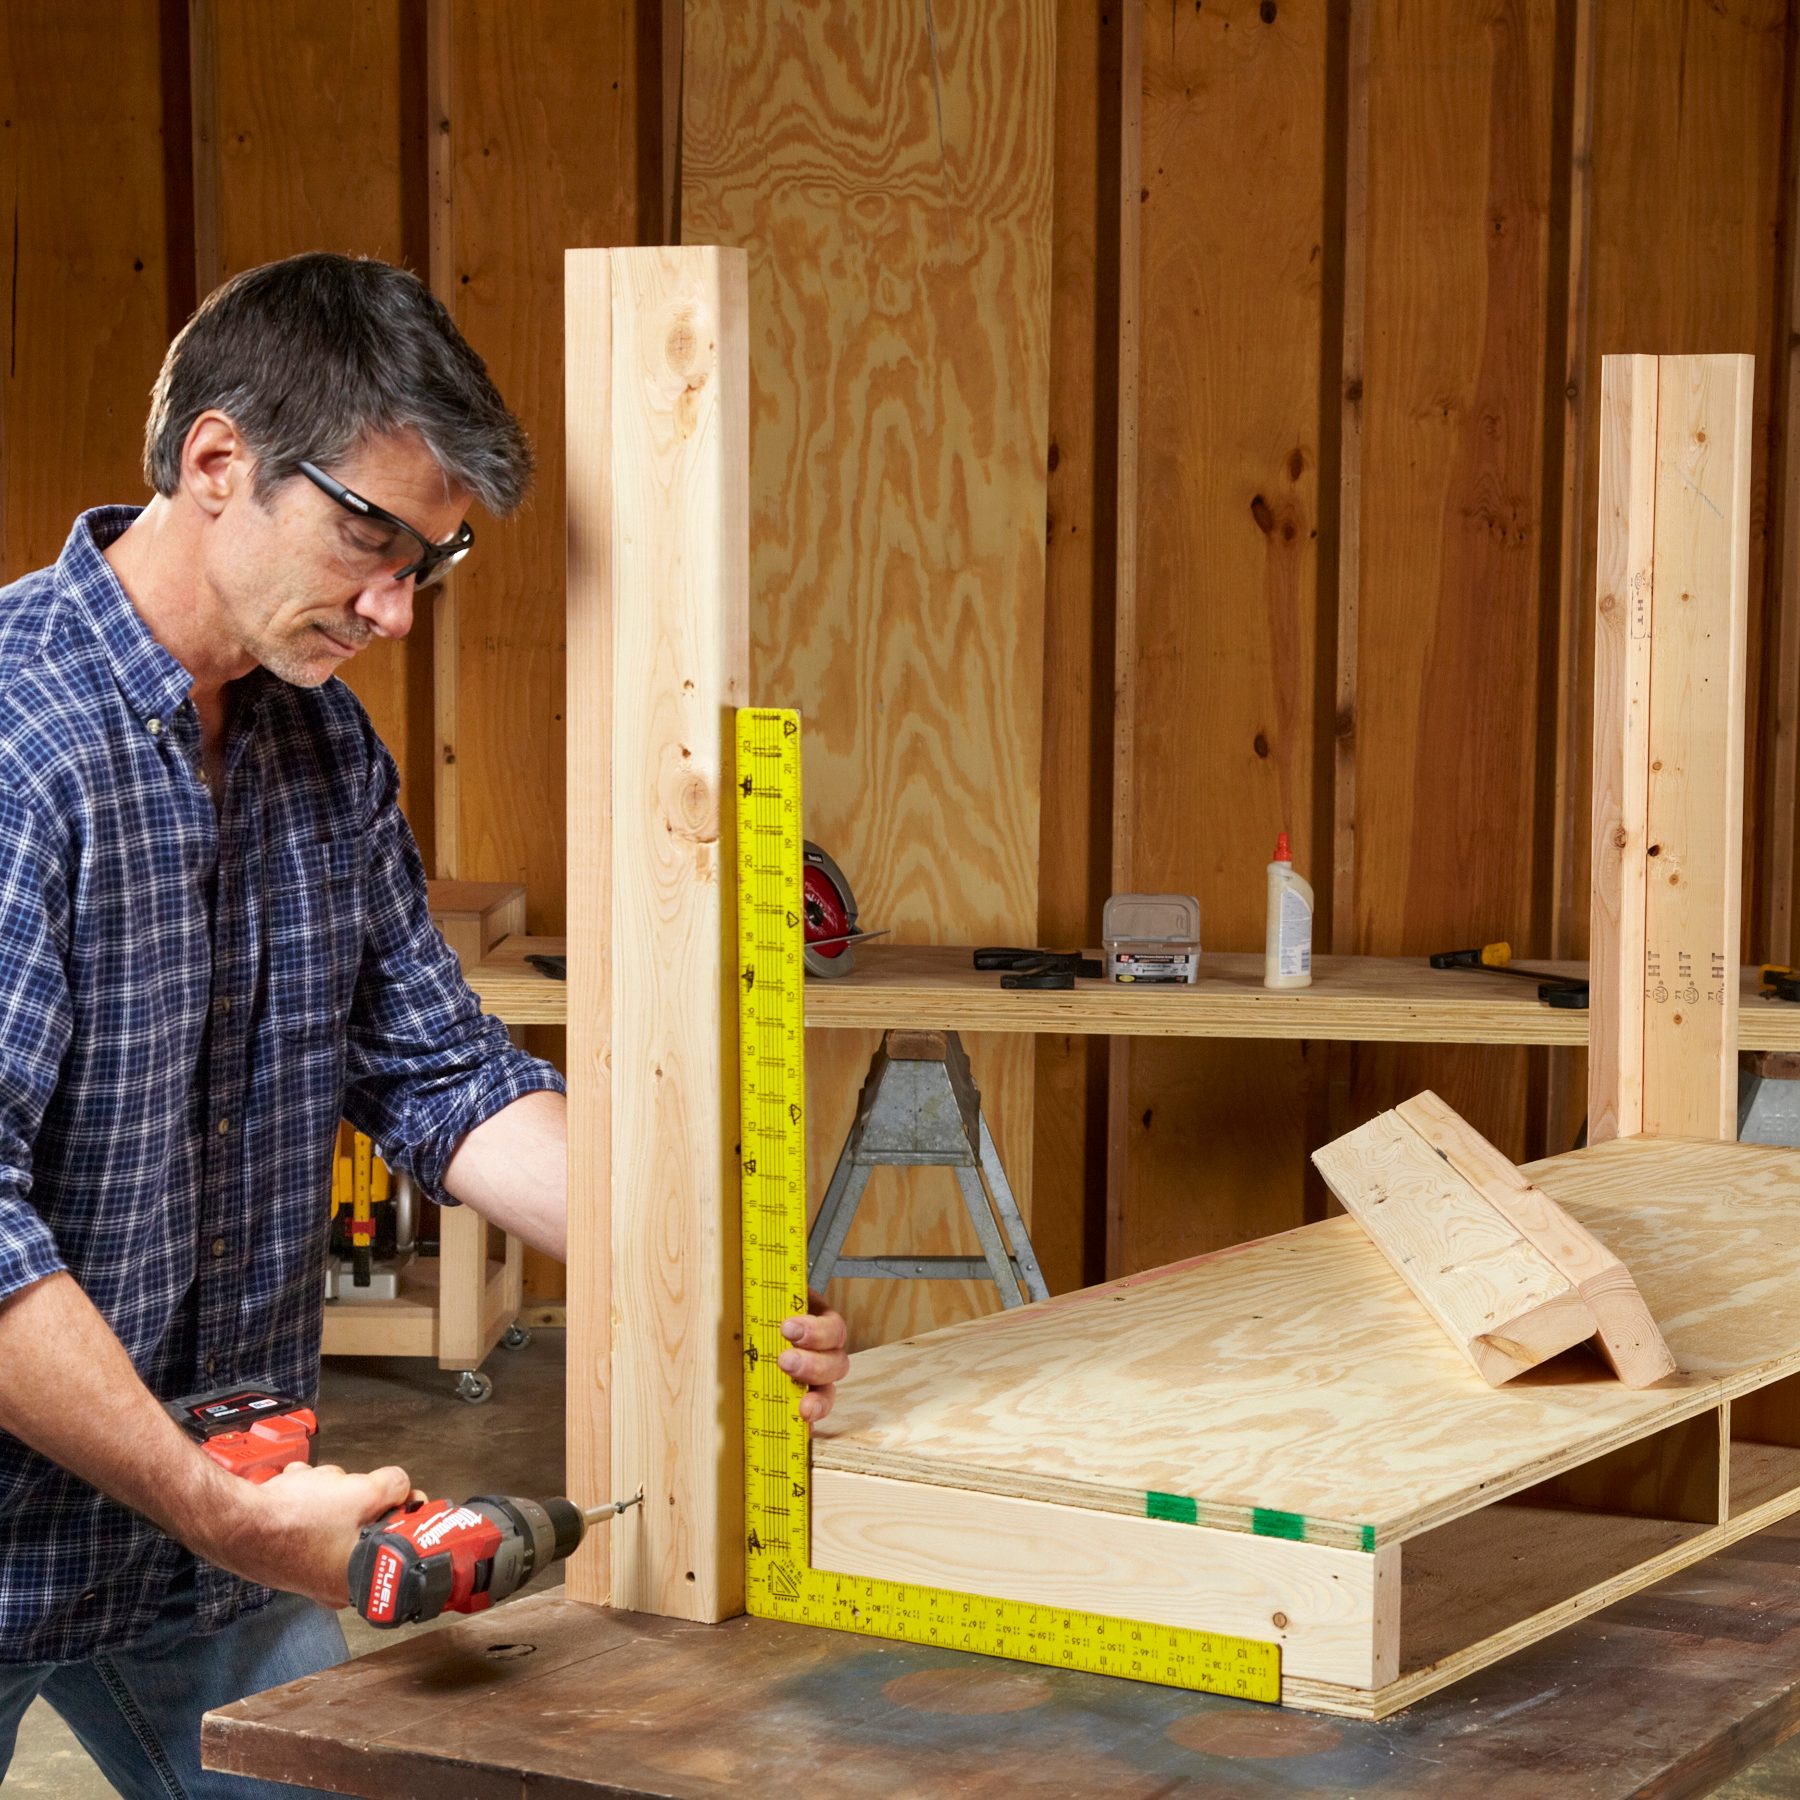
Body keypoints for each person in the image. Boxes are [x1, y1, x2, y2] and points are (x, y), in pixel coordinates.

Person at [0, 252, 850, 1798]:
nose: (395, 607)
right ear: (216, 463)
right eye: (368, 537)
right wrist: (215, 1504)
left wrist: (703, 1257)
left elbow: (443, 1078)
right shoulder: (16, 751)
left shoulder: (319, 750)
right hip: (120, 1517)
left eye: (430, 561)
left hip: (216, 1538)